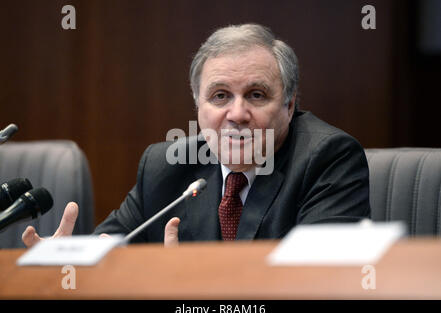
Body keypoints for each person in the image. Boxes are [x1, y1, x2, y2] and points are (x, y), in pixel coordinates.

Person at [22, 23, 370, 248]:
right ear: (197, 105)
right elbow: (112, 249)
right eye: (220, 96)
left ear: (290, 106)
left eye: (257, 95)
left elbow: (318, 280)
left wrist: (190, 283)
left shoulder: (329, 159)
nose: (236, 114)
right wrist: (68, 262)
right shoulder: (165, 167)